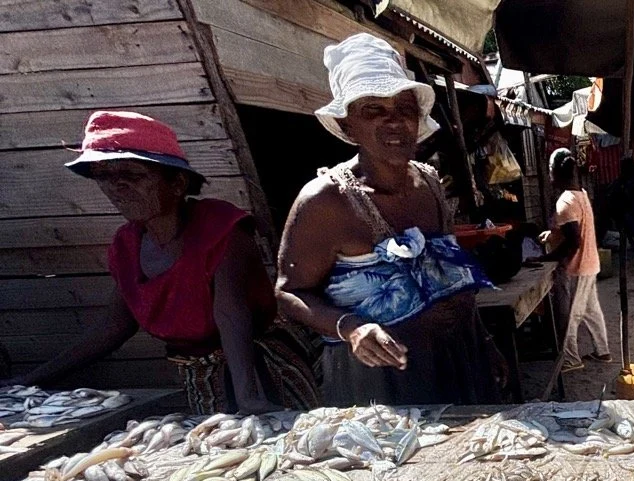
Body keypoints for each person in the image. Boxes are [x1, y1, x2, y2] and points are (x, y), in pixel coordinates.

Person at [2, 111, 318, 414]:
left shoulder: (221, 227)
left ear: (177, 183)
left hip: (260, 367)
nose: (117, 187)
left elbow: (231, 313)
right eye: (105, 177)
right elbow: (115, 326)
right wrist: (32, 380)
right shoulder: (126, 245)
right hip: (200, 374)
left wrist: (249, 398)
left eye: (132, 175)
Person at [276, 33, 503, 406]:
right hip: (381, 384)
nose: (394, 121)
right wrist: (350, 328)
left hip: (459, 362)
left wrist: (484, 342)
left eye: (404, 108)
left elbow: (451, 278)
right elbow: (288, 293)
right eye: (373, 110)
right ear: (348, 126)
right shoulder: (327, 202)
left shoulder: (429, 182)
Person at [541, 149, 610, 371]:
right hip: (590, 263)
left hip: (578, 267)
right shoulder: (581, 194)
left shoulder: (565, 201)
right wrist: (553, 235)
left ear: (555, 172)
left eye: (549, 169)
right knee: (591, 310)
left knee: (571, 315)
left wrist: (547, 258)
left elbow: (573, 241)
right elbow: (575, 231)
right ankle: (602, 351)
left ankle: (571, 359)